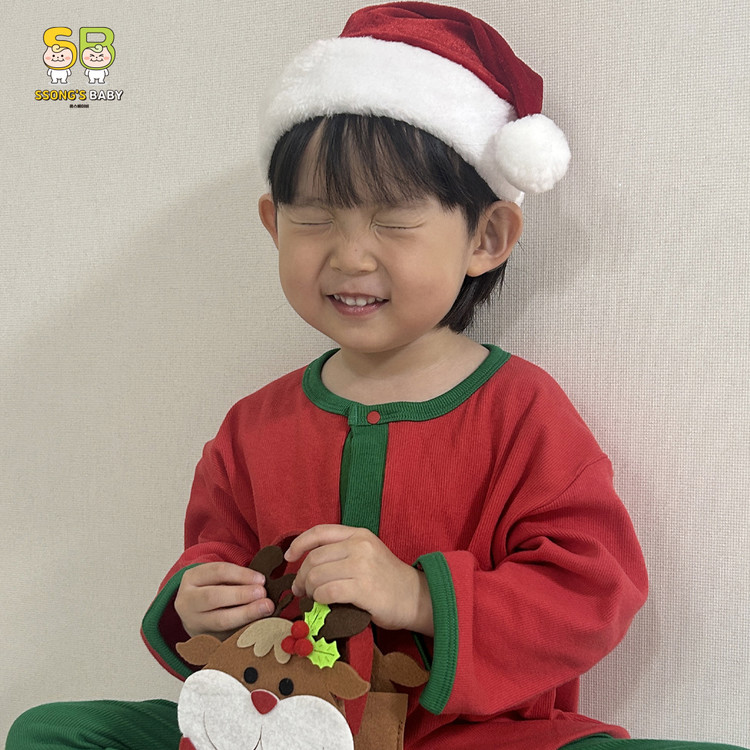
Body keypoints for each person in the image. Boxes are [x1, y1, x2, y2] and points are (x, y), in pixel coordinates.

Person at [7, 3, 747, 750]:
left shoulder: (521, 411)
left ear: (487, 236)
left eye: (393, 220)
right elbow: (216, 552)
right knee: (54, 732)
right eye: (315, 217)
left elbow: (592, 591)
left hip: (466, 736)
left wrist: (420, 597)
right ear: (273, 224)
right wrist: (196, 601)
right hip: (278, 725)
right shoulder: (255, 426)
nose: (351, 255)